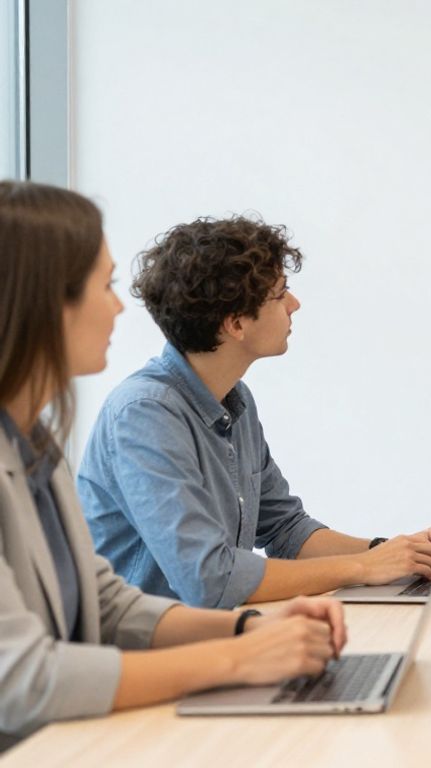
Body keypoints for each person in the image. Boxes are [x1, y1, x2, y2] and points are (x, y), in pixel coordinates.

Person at [0, 181, 348, 750]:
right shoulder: (141, 411)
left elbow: (105, 602)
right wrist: (239, 656)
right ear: (43, 304)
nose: (120, 306)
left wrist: (247, 628)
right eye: (106, 286)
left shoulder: (35, 440)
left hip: (84, 726)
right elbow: (22, 680)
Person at [78, 215, 431, 609]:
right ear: (236, 323)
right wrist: (364, 567)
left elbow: (286, 530)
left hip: (218, 634)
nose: (295, 304)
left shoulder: (234, 399)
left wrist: (397, 553)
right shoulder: (144, 415)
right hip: (146, 646)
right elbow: (211, 580)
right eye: (280, 294)